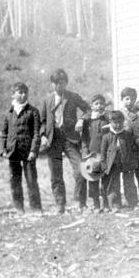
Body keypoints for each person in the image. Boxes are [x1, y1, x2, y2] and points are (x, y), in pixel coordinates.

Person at [39, 68, 90, 213]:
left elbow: (88, 110)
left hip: (70, 139)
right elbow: (42, 121)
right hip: (53, 139)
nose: (57, 86)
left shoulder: (73, 97)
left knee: (80, 169)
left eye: (61, 83)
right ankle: (60, 204)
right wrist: (43, 135)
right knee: (56, 174)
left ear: (66, 83)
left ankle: (80, 202)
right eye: (55, 83)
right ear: (51, 84)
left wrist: (81, 120)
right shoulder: (47, 101)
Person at [0, 81, 42, 213]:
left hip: (28, 152)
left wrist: (33, 150)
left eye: (25, 93)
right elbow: (3, 134)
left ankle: (36, 209)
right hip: (13, 152)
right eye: (20, 93)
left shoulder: (33, 111)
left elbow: (36, 133)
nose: (23, 95)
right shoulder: (8, 113)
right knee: (15, 181)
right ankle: (19, 208)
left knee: (31, 180)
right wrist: (2, 150)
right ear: (13, 95)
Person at [99, 110, 138, 211]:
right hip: (113, 164)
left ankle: (132, 202)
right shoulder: (106, 137)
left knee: (129, 183)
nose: (118, 125)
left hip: (126, 162)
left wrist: (133, 161)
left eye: (120, 122)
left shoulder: (127, 135)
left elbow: (132, 149)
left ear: (123, 122)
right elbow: (103, 153)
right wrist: (104, 164)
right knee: (113, 184)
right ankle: (115, 205)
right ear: (110, 123)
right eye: (115, 122)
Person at [80, 94, 110, 158]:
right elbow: (84, 137)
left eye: (101, 103)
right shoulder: (88, 120)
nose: (99, 106)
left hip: (106, 150)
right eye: (96, 104)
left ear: (105, 105)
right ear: (91, 106)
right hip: (92, 151)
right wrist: (85, 151)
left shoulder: (107, 118)